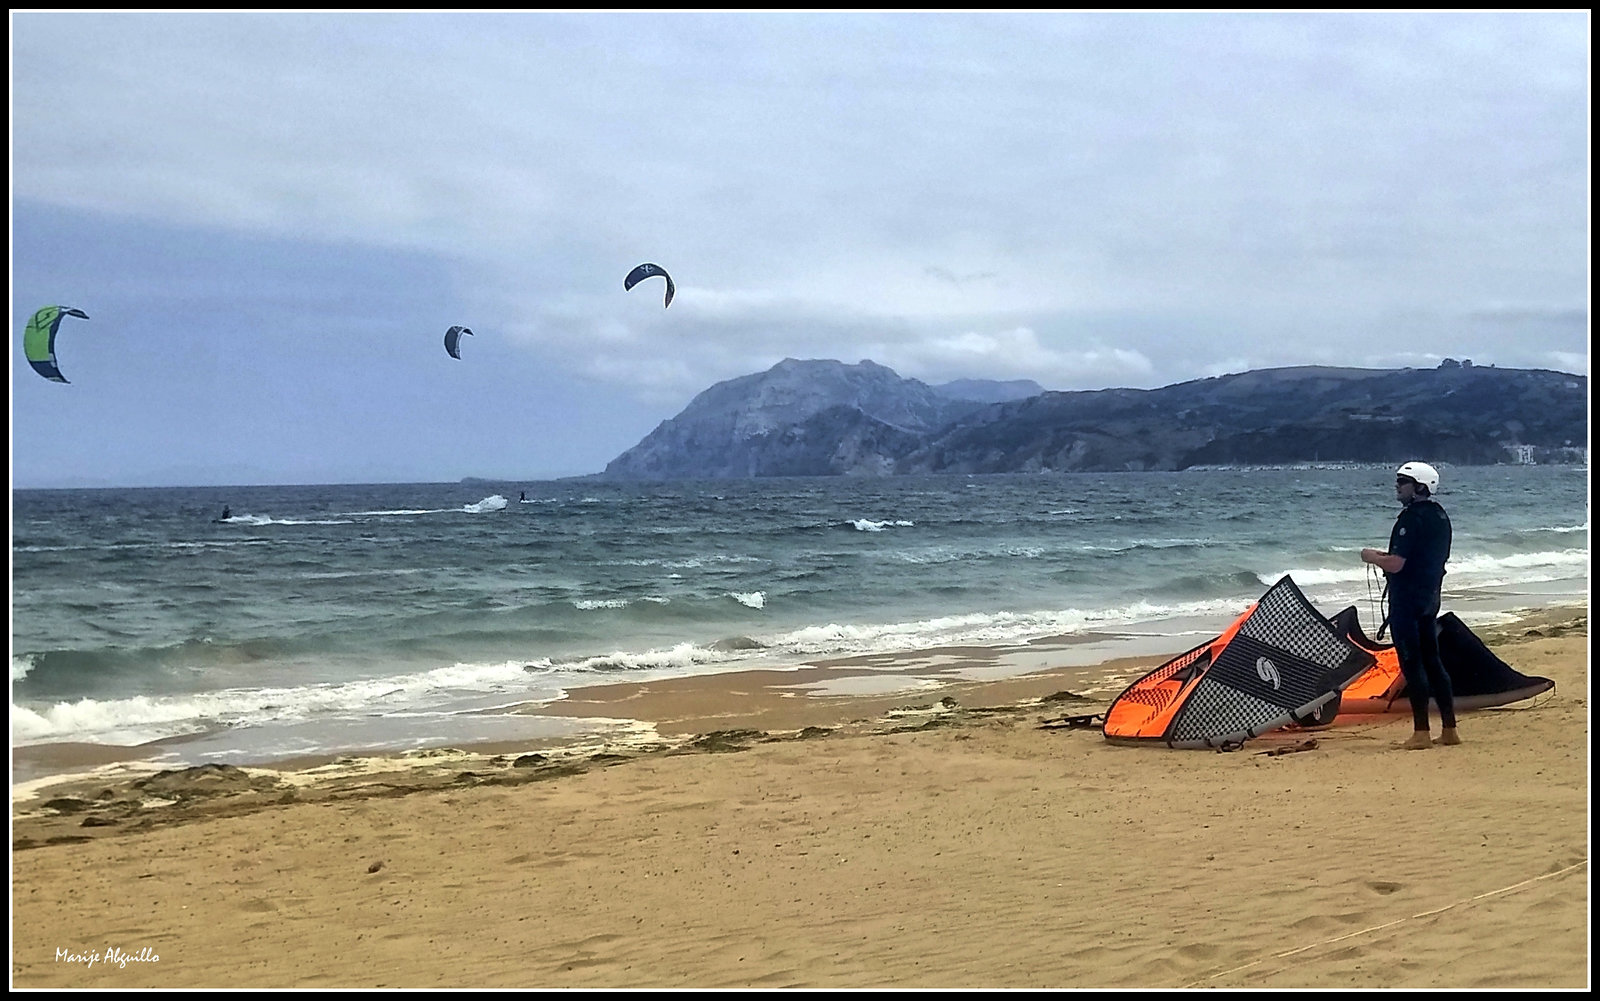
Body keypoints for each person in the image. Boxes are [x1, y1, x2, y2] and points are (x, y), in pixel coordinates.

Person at [1360, 461, 1457, 749]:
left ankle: (1421, 733)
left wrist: (1371, 557)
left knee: (1412, 664)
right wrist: (1387, 558)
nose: (1397, 486)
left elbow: (1398, 563)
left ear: (1419, 487)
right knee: (1433, 661)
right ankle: (1450, 730)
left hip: (1407, 600)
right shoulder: (1440, 516)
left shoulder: (1410, 518)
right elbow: (1425, 557)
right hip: (1430, 597)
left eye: (1403, 481)